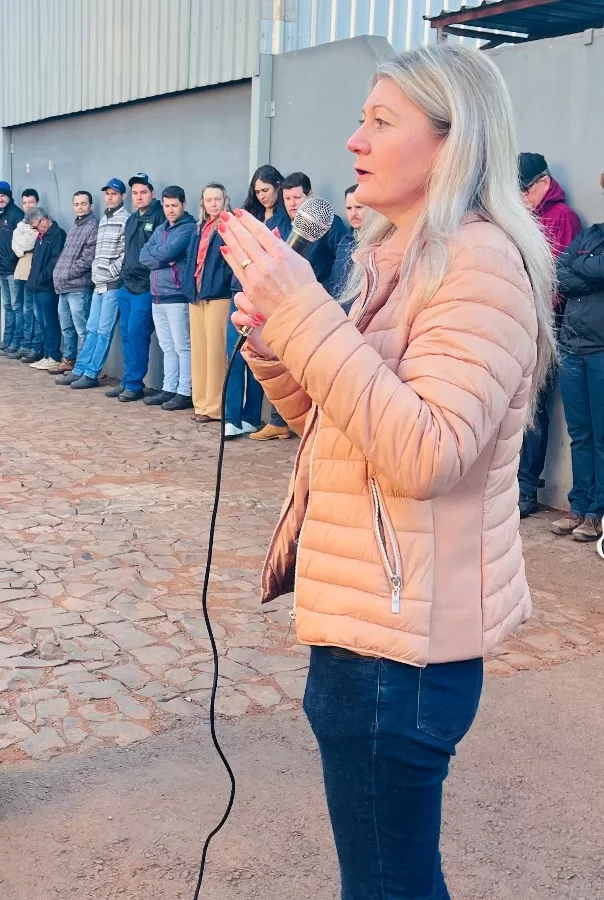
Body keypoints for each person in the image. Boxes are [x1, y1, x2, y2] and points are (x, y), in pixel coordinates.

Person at [221, 44, 554, 899]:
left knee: (387, 886)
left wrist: (305, 312)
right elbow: (343, 430)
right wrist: (274, 339)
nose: (353, 142)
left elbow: (424, 453)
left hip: (400, 655)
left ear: (453, 142)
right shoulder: (400, 261)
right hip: (368, 629)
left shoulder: (478, 264)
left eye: (380, 122)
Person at [516, 152, 582, 518]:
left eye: (524, 190)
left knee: (535, 408)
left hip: (547, 325)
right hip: (518, 320)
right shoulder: (523, 215)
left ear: (544, 183)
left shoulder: (562, 218)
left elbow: (559, 280)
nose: (520, 199)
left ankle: (527, 487)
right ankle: (511, 483)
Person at [548, 188, 604, 543]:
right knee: (580, 434)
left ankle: (597, 513)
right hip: (573, 349)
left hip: (601, 351)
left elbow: (580, 270)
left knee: (602, 437)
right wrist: (591, 272)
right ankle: (578, 506)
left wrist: (581, 269)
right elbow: (559, 274)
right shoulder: (590, 234)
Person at [224, 164, 288, 438]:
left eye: (267, 190)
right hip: (241, 291)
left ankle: (251, 416)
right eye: (257, 191)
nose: (262, 195)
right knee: (235, 355)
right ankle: (231, 417)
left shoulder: (286, 221)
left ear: (278, 187)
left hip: (267, 296)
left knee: (259, 356)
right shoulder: (249, 217)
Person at [57, 178, 129, 389]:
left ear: (122, 197)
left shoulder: (125, 219)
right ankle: (80, 369)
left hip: (112, 286)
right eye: (107, 193)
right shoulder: (105, 219)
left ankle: (92, 373)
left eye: (114, 194)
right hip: (98, 285)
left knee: (104, 331)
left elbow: (125, 254)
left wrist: (110, 272)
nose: (110, 197)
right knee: (91, 329)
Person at [109, 173, 165, 402]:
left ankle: (134, 384)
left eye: (143, 192)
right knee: (126, 336)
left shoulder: (160, 216)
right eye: (135, 193)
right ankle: (127, 380)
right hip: (127, 287)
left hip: (145, 288)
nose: (139, 197)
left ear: (152, 193)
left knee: (137, 334)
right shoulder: (132, 219)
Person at [139, 185, 196, 409]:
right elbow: (145, 254)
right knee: (167, 346)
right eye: (167, 205)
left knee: (182, 346)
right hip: (157, 295)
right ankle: (169, 388)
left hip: (176, 295)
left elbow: (170, 253)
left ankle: (185, 391)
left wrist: (162, 256)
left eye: (174, 205)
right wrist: (161, 258)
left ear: (183, 205)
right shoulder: (161, 228)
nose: (170, 210)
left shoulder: (188, 228)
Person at [183, 182, 232, 422]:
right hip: (197, 295)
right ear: (202, 202)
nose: (213, 204)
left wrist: (222, 283)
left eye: (217, 199)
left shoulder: (228, 226)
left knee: (215, 353)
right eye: (209, 199)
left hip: (218, 296)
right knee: (199, 352)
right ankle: (200, 403)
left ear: (225, 200)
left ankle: (214, 407)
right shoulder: (199, 227)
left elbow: (230, 261)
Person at [281, 171, 352, 295]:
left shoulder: (329, 224)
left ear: (310, 195)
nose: (292, 203)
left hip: (320, 296)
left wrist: (325, 288)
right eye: (287, 199)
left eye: (297, 198)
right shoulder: (279, 224)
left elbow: (345, 260)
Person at [51, 190, 97, 375]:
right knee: (67, 327)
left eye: (83, 204)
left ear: (90, 205)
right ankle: (69, 360)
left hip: (78, 286)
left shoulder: (93, 225)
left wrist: (68, 273)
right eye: (77, 204)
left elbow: (88, 258)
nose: (80, 207)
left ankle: (83, 365)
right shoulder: (75, 226)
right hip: (64, 286)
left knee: (82, 328)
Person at [24, 206, 67, 371]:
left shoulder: (57, 234)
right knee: (42, 323)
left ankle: (55, 356)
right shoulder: (40, 236)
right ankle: (47, 354)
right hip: (37, 286)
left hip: (47, 287)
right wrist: (31, 280)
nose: (35, 229)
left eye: (36, 226)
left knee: (50, 322)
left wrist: (41, 278)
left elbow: (55, 261)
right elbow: (35, 262)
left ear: (43, 220)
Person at [0, 181, 23, 352]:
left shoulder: (16, 215)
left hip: (13, 270)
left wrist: (11, 260)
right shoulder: (0, 214)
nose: (0, 199)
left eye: (3, 195)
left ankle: (16, 343)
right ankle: (7, 340)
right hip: (2, 268)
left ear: (9, 196)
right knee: (8, 306)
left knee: (16, 307)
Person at [12, 188, 41, 362]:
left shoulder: (42, 222)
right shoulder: (20, 224)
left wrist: (24, 242)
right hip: (21, 269)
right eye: (25, 202)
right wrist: (24, 243)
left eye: (31, 202)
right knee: (22, 309)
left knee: (33, 310)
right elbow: (16, 247)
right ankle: (24, 344)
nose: (28, 206)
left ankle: (34, 346)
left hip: (33, 271)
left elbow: (30, 242)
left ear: (37, 203)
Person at [328, 185, 363, 304]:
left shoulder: (380, 242)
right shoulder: (344, 241)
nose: (353, 213)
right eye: (349, 208)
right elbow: (334, 279)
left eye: (359, 207)